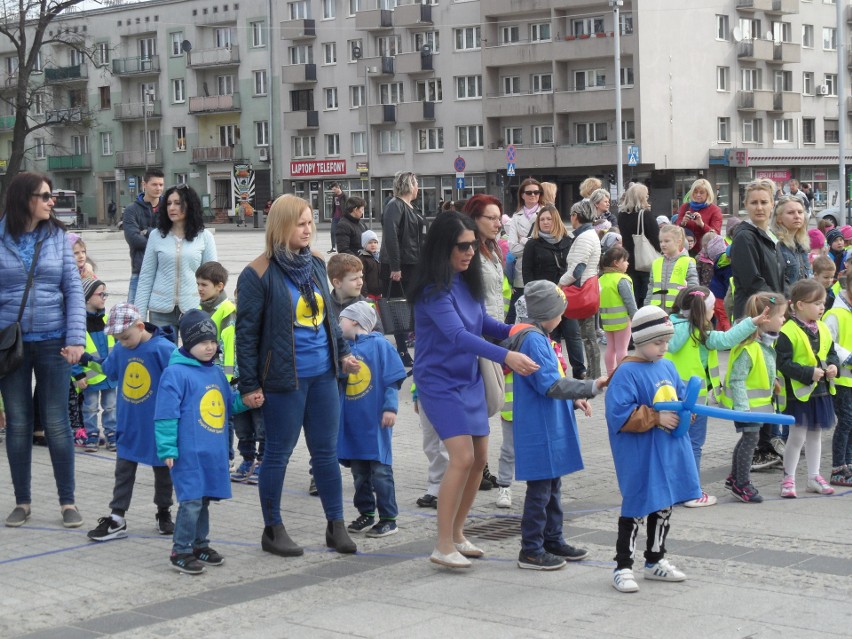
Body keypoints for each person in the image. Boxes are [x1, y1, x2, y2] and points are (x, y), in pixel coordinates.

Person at [409, 212, 539, 568]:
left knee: (480, 459)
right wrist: (507, 356)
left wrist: (519, 329)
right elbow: (459, 336)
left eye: (473, 245)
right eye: (462, 246)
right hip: (439, 382)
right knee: (462, 458)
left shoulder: (466, 281)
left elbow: (482, 322)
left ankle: (458, 534)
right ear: (442, 248)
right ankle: (442, 544)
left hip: (467, 379)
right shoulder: (432, 291)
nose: (470, 252)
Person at [236, 194, 361, 558]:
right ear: (281, 226)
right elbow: (246, 336)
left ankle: (335, 525)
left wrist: (344, 354)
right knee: (277, 454)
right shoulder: (257, 273)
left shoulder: (318, 263)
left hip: (324, 376)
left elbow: (330, 320)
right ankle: (273, 529)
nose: (309, 230)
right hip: (282, 380)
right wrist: (249, 385)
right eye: (301, 223)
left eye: (311, 222)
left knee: (326, 453)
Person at [0, 172, 86, 529]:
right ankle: (23, 501)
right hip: (11, 345)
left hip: (54, 343)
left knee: (56, 423)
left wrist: (76, 338)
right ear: (25, 199)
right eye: (46, 196)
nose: (52, 202)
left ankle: (68, 501)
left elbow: (74, 290)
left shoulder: (58, 238)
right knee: (18, 425)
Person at [504, 281, 604, 570]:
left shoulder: (538, 336)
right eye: (560, 311)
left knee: (551, 486)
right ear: (547, 314)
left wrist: (573, 400)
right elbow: (549, 384)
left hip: (548, 422)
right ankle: (532, 549)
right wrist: (588, 387)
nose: (563, 316)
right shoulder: (534, 339)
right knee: (541, 491)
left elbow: (549, 381)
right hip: (541, 427)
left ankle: (552, 539)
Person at [154, 310, 261, 574]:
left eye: (213, 342)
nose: (210, 347)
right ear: (189, 343)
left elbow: (224, 405)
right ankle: (180, 550)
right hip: (188, 453)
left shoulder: (215, 373)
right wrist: (167, 447)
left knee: (202, 501)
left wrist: (244, 402)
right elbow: (166, 415)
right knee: (190, 500)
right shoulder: (175, 374)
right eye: (203, 343)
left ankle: (200, 544)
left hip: (212, 451)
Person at [604, 305, 701, 593]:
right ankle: (622, 566)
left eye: (666, 341)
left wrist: (687, 414)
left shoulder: (667, 366)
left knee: (664, 505)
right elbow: (619, 415)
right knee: (635, 508)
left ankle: (655, 560)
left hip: (668, 452)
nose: (664, 347)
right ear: (641, 340)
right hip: (641, 456)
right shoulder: (625, 372)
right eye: (659, 342)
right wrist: (656, 417)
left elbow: (682, 398)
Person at [665, 285, 768, 507]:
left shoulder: (668, 329)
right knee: (693, 445)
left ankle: (672, 487)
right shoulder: (699, 332)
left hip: (670, 399)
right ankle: (692, 491)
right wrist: (752, 323)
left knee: (670, 444)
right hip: (696, 402)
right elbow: (727, 339)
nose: (713, 313)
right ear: (702, 312)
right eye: (711, 309)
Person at [86, 303, 177, 541]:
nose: (123, 342)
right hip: (129, 423)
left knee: (163, 471)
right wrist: (84, 361)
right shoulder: (120, 349)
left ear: (140, 326)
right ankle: (117, 517)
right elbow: (108, 370)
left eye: (125, 337)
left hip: (157, 425)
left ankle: (164, 512)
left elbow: (179, 382)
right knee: (123, 471)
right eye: (118, 339)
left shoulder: (164, 350)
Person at [337, 302, 407, 538]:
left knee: (380, 471)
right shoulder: (343, 348)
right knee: (359, 473)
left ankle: (389, 518)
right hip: (352, 422)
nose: (339, 325)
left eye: (342, 320)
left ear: (355, 321)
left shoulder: (380, 345)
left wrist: (390, 408)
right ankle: (366, 513)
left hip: (375, 421)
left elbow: (392, 380)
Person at [719, 291, 787, 503]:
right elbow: (738, 380)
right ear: (766, 319)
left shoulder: (765, 344)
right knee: (750, 440)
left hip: (755, 406)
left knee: (748, 439)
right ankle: (742, 483)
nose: (784, 319)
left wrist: (772, 380)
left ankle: (735, 477)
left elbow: (761, 369)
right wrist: (742, 407)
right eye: (781, 315)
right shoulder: (748, 348)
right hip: (746, 407)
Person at [777, 279, 839, 498]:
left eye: (823, 303)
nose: (822, 307)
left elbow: (831, 353)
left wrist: (833, 367)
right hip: (799, 393)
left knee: (816, 435)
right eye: (817, 303)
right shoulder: (788, 331)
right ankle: (788, 478)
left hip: (820, 391)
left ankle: (813, 477)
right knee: (796, 437)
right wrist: (807, 372)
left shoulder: (823, 327)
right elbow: (782, 363)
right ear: (800, 305)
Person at [135, 185, 218, 332]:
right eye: (168, 203)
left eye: (178, 203)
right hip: (160, 310)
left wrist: (212, 309)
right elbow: (146, 276)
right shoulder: (156, 235)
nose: (171, 208)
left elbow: (212, 278)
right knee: (164, 354)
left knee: (193, 354)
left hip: (194, 309)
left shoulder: (205, 237)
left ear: (190, 206)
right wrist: (139, 315)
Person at [521, 205, 582, 379]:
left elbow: (575, 268)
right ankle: (554, 370)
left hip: (566, 295)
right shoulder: (533, 244)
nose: (545, 222)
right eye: (542, 220)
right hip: (544, 299)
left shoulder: (568, 241)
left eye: (548, 219)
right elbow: (527, 272)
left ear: (556, 221)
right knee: (550, 335)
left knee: (573, 334)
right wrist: (533, 297)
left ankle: (580, 372)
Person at [380, 171, 423, 367]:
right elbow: (391, 237)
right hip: (398, 267)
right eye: (416, 184)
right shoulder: (394, 205)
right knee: (398, 309)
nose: (418, 188)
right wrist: (395, 267)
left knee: (412, 306)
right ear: (409, 186)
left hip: (413, 265)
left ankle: (410, 345)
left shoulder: (410, 207)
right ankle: (402, 350)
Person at [72, 278, 117, 453]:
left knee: (111, 406)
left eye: (106, 293)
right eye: (101, 294)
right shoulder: (79, 324)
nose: (104, 297)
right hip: (89, 378)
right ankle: (91, 434)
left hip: (110, 375)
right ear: (88, 297)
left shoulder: (107, 319)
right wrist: (78, 375)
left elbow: (117, 345)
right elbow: (72, 353)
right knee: (90, 407)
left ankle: (112, 433)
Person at [731, 178, 785, 321]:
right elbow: (753, 283)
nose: (759, 208)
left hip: (769, 313)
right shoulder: (745, 237)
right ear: (746, 205)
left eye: (764, 202)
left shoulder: (771, 236)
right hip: (751, 316)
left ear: (772, 204)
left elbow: (777, 278)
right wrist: (778, 303)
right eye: (754, 203)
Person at [561, 200, 602, 379]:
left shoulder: (584, 237)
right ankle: (594, 374)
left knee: (588, 336)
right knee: (588, 336)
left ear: (575, 216)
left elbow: (577, 269)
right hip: (588, 287)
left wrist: (560, 284)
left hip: (582, 289)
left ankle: (594, 376)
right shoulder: (590, 235)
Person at [824, 271, 852, 487]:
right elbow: (828, 342)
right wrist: (847, 356)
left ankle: (848, 464)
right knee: (846, 422)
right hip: (842, 379)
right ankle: (837, 468)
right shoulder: (835, 314)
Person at [123, 169, 164, 304]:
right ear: (144, 185)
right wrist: (159, 239)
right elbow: (134, 239)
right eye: (154, 184)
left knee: (160, 318)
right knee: (132, 316)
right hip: (140, 271)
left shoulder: (168, 208)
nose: (158, 188)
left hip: (163, 272)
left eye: (161, 185)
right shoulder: (131, 210)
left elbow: (171, 235)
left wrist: (147, 231)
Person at [506, 178, 543, 322]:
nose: (533, 195)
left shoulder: (546, 214)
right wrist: (531, 244)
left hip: (541, 271)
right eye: (529, 193)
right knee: (515, 315)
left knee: (539, 316)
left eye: (536, 192)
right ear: (522, 195)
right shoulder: (516, 217)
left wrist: (523, 240)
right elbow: (513, 249)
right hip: (521, 273)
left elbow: (545, 245)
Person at [617, 182, 660, 308]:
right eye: (646, 196)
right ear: (641, 197)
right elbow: (655, 238)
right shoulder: (645, 215)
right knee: (647, 296)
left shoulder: (621, 215)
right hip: (645, 261)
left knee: (633, 296)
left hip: (629, 260)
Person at [599, 247, 636, 375]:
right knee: (622, 349)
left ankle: (610, 375)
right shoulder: (622, 279)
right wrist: (635, 317)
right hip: (623, 321)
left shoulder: (601, 279)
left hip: (607, 320)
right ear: (616, 263)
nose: (628, 263)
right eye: (625, 260)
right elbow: (630, 302)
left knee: (610, 348)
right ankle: (622, 375)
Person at [645, 225, 699, 311]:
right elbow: (651, 288)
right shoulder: (656, 263)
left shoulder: (688, 262)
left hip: (678, 312)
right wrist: (647, 308)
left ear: (678, 241)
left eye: (667, 241)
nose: (663, 244)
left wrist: (688, 311)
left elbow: (693, 289)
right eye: (661, 241)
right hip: (657, 311)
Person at [327, 253, 383, 333]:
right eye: (354, 279)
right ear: (337, 283)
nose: (360, 282)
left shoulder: (367, 306)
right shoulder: (325, 306)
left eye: (361, 277)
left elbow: (378, 335)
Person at [773, 195, 811, 296]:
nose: (797, 216)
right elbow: (774, 286)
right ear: (779, 218)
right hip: (785, 307)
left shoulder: (802, 245)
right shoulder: (775, 245)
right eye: (790, 212)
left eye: (800, 212)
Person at [675, 179, 723, 256]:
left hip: (706, 253)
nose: (698, 195)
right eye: (695, 192)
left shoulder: (715, 210)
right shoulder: (685, 207)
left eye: (701, 192)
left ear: (708, 194)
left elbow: (716, 235)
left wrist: (702, 225)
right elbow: (675, 230)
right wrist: (682, 223)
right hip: (686, 251)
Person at [196, 261, 236, 337]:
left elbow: (229, 342)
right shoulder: (201, 307)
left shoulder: (228, 310)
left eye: (204, 285)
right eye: (198, 284)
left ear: (219, 286)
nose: (199, 288)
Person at [359, 230, 382, 299]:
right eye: (370, 242)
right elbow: (362, 277)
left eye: (375, 242)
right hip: (369, 293)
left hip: (379, 293)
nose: (373, 245)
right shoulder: (363, 258)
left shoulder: (379, 257)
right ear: (364, 245)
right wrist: (364, 294)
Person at [328, 182, 347, 254]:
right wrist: (332, 216)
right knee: (333, 232)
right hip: (335, 217)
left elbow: (347, 206)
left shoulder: (344, 195)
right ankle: (333, 247)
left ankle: (342, 246)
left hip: (342, 217)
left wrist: (346, 216)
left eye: (335, 189)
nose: (334, 191)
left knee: (342, 232)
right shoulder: (334, 196)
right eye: (333, 190)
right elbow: (333, 206)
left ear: (338, 187)